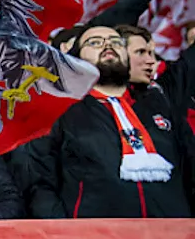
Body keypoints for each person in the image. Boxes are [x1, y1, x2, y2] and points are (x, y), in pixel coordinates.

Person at [12, 25, 195, 218]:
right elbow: (38, 183)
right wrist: (65, 235)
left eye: (117, 42)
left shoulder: (160, 103)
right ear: (76, 59)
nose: (108, 45)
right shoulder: (59, 111)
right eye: (95, 43)